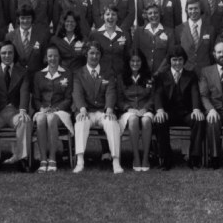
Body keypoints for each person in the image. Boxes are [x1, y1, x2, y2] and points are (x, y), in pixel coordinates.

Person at [152, 46, 205, 170]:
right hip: (169, 113)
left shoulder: (191, 75)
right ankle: (166, 158)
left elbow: (195, 92)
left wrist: (196, 109)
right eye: (174, 60)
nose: (177, 63)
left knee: (199, 120)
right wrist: (160, 110)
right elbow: (158, 94)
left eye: (180, 60)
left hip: (186, 113)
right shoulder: (162, 76)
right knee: (160, 121)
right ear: (170, 60)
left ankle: (194, 158)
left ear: (184, 60)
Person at [72, 41, 121, 174]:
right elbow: (77, 93)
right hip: (86, 110)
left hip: (103, 111)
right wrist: (82, 109)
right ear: (86, 54)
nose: (94, 56)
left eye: (97, 53)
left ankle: (116, 161)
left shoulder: (108, 72)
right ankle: (80, 161)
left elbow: (111, 91)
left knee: (112, 123)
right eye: (91, 53)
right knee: (81, 123)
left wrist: (109, 109)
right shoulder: (78, 73)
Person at [0, 41, 32, 174]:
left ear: (14, 54)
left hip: (15, 111)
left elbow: (25, 91)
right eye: (3, 53)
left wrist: (23, 109)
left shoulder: (23, 72)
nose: (7, 55)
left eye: (10, 52)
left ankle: (22, 158)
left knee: (25, 121)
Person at [32, 45, 74, 173]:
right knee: (40, 119)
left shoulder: (67, 73)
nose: (53, 58)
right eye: (50, 56)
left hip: (61, 111)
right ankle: (43, 159)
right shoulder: (38, 75)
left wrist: (56, 109)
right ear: (46, 57)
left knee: (51, 119)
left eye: (55, 55)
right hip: (43, 110)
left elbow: (68, 98)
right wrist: (41, 108)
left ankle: (52, 158)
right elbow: (36, 98)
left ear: (59, 57)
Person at [117, 52, 155, 172]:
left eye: (138, 61)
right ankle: (136, 157)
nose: (135, 63)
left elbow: (153, 97)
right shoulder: (121, 78)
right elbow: (119, 99)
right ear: (128, 63)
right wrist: (128, 108)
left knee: (146, 120)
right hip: (129, 110)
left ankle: (145, 157)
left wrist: (146, 108)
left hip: (145, 109)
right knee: (133, 119)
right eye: (132, 61)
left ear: (142, 62)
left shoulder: (150, 77)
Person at [5, 4, 51, 77]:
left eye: (28, 18)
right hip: (17, 77)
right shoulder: (10, 36)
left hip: (37, 77)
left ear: (32, 18)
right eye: (22, 18)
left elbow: (45, 59)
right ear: (18, 19)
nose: (25, 21)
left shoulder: (42, 35)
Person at [89, 3, 131, 76]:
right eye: (107, 14)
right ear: (103, 17)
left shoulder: (125, 34)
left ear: (117, 17)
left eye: (113, 14)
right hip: (100, 76)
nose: (110, 17)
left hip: (120, 76)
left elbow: (128, 56)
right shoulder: (94, 34)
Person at [175, 0, 214, 75]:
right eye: (190, 9)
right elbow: (177, 52)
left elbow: (212, 52)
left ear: (200, 9)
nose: (193, 11)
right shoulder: (179, 29)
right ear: (186, 10)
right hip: (186, 72)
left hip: (205, 71)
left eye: (196, 8)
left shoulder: (210, 29)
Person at [133, 3, 175, 76]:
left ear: (160, 14)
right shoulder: (139, 32)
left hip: (163, 74)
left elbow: (170, 54)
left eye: (156, 12)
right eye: (150, 13)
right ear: (146, 16)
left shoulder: (169, 32)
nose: (153, 15)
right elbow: (135, 52)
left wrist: (159, 72)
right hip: (143, 73)